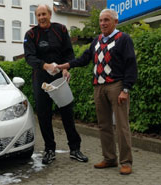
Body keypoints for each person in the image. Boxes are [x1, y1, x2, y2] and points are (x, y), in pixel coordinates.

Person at [56, 9, 137, 175]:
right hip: (98, 87)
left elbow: (131, 65)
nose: (103, 23)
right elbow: (84, 58)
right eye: (101, 20)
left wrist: (126, 89)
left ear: (115, 21)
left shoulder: (123, 39)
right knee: (104, 125)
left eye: (106, 20)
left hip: (117, 86)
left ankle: (126, 162)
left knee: (122, 126)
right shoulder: (97, 40)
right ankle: (109, 158)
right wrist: (67, 65)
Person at [23, 4, 88, 165]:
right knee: (44, 116)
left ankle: (74, 149)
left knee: (67, 113)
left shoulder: (61, 30)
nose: (41, 17)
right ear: (36, 17)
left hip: (60, 78)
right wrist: (45, 65)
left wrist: (66, 68)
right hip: (41, 79)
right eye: (38, 15)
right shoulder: (31, 34)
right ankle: (49, 150)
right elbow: (29, 57)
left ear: (50, 14)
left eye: (44, 14)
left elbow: (69, 52)